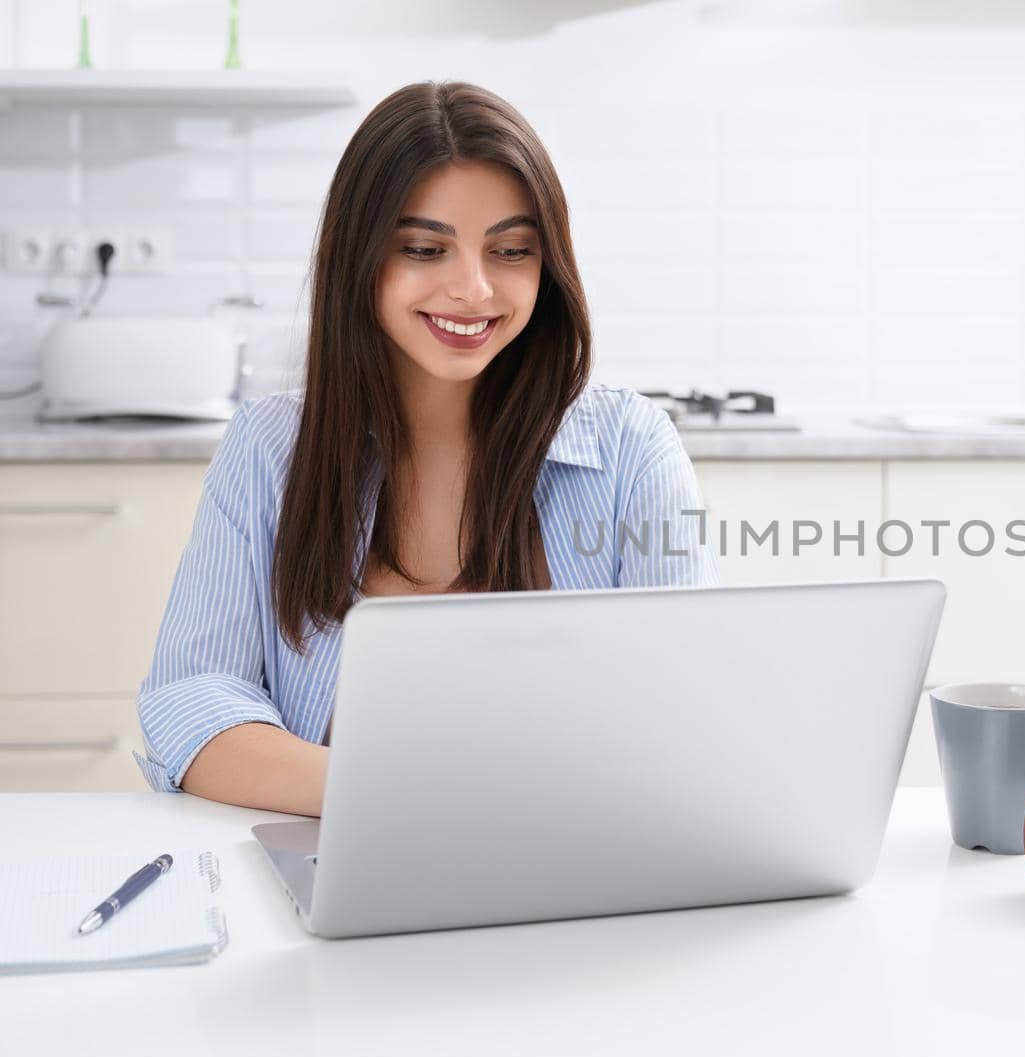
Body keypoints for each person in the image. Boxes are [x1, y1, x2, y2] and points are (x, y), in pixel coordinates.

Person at [134, 81, 719, 817]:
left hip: (574, 867)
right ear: (361, 258)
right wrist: (406, 796)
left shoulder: (634, 448)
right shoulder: (267, 450)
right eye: (423, 248)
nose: (472, 289)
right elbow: (192, 699)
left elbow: (690, 709)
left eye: (510, 250)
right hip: (350, 857)